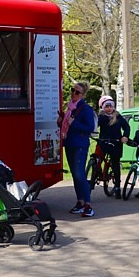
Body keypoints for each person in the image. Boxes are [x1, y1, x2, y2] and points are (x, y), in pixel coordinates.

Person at [60, 82, 97, 217]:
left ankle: (88, 205)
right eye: (72, 90)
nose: (73, 94)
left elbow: (89, 127)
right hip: (69, 143)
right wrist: (61, 121)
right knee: (75, 175)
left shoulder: (85, 108)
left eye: (77, 92)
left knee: (80, 175)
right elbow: (67, 125)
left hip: (80, 145)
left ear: (82, 95)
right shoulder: (71, 107)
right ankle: (80, 202)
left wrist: (72, 123)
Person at [97, 95, 130, 199]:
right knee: (97, 159)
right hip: (104, 142)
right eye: (106, 106)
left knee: (115, 165)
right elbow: (93, 126)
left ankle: (117, 187)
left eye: (111, 106)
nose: (109, 109)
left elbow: (127, 127)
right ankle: (95, 176)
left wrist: (125, 136)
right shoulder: (101, 117)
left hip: (116, 143)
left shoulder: (118, 116)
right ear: (102, 107)